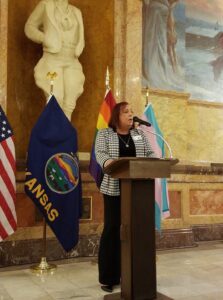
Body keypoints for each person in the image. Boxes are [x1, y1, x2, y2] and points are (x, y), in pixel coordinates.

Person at [95, 102, 156, 293]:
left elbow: (150, 153)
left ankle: (133, 274)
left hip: (137, 190)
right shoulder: (105, 134)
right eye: (126, 112)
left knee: (136, 231)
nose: (131, 115)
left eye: (132, 112)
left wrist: (155, 159)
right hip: (113, 187)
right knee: (113, 230)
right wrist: (110, 162)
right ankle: (109, 277)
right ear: (116, 116)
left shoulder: (139, 134)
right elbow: (100, 153)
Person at [24, 0, 85, 120]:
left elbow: (80, 35)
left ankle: (65, 136)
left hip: (72, 59)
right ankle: (53, 134)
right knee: (55, 98)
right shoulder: (45, 5)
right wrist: (45, 38)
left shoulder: (76, 11)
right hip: (53, 58)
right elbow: (29, 27)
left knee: (70, 101)